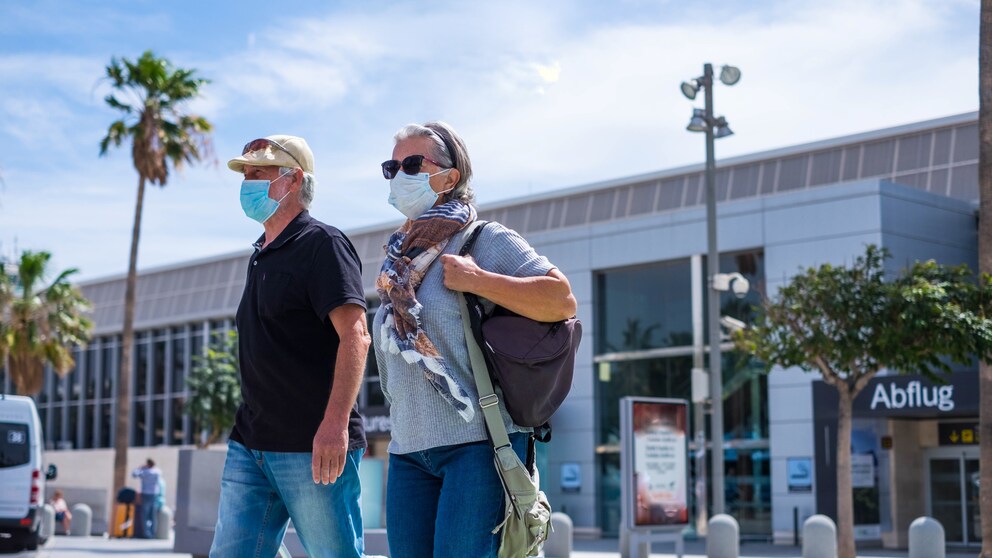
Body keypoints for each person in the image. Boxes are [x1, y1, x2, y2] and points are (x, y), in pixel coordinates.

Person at [373, 121, 577, 557]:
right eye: (392, 166)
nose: (400, 175)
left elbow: (561, 300)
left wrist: (479, 280)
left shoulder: (483, 239)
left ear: (450, 177)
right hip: (408, 450)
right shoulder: (397, 261)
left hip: (477, 447)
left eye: (413, 163)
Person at [209, 135, 370, 558]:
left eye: (258, 173)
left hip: (313, 448)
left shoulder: (323, 245)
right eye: (245, 174)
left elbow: (356, 336)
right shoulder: (260, 254)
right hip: (250, 443)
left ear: (293, 180)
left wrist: (335, 425)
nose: (247, 182)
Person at [131, 458, 162, 538]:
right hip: (154, 494)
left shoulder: (145, 472)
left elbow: (134, 474)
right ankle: (153, 533)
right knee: (153, 515)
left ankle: (146, 533)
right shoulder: (157, 472)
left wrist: (140, 468)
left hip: (145, 494)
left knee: (144, 515)